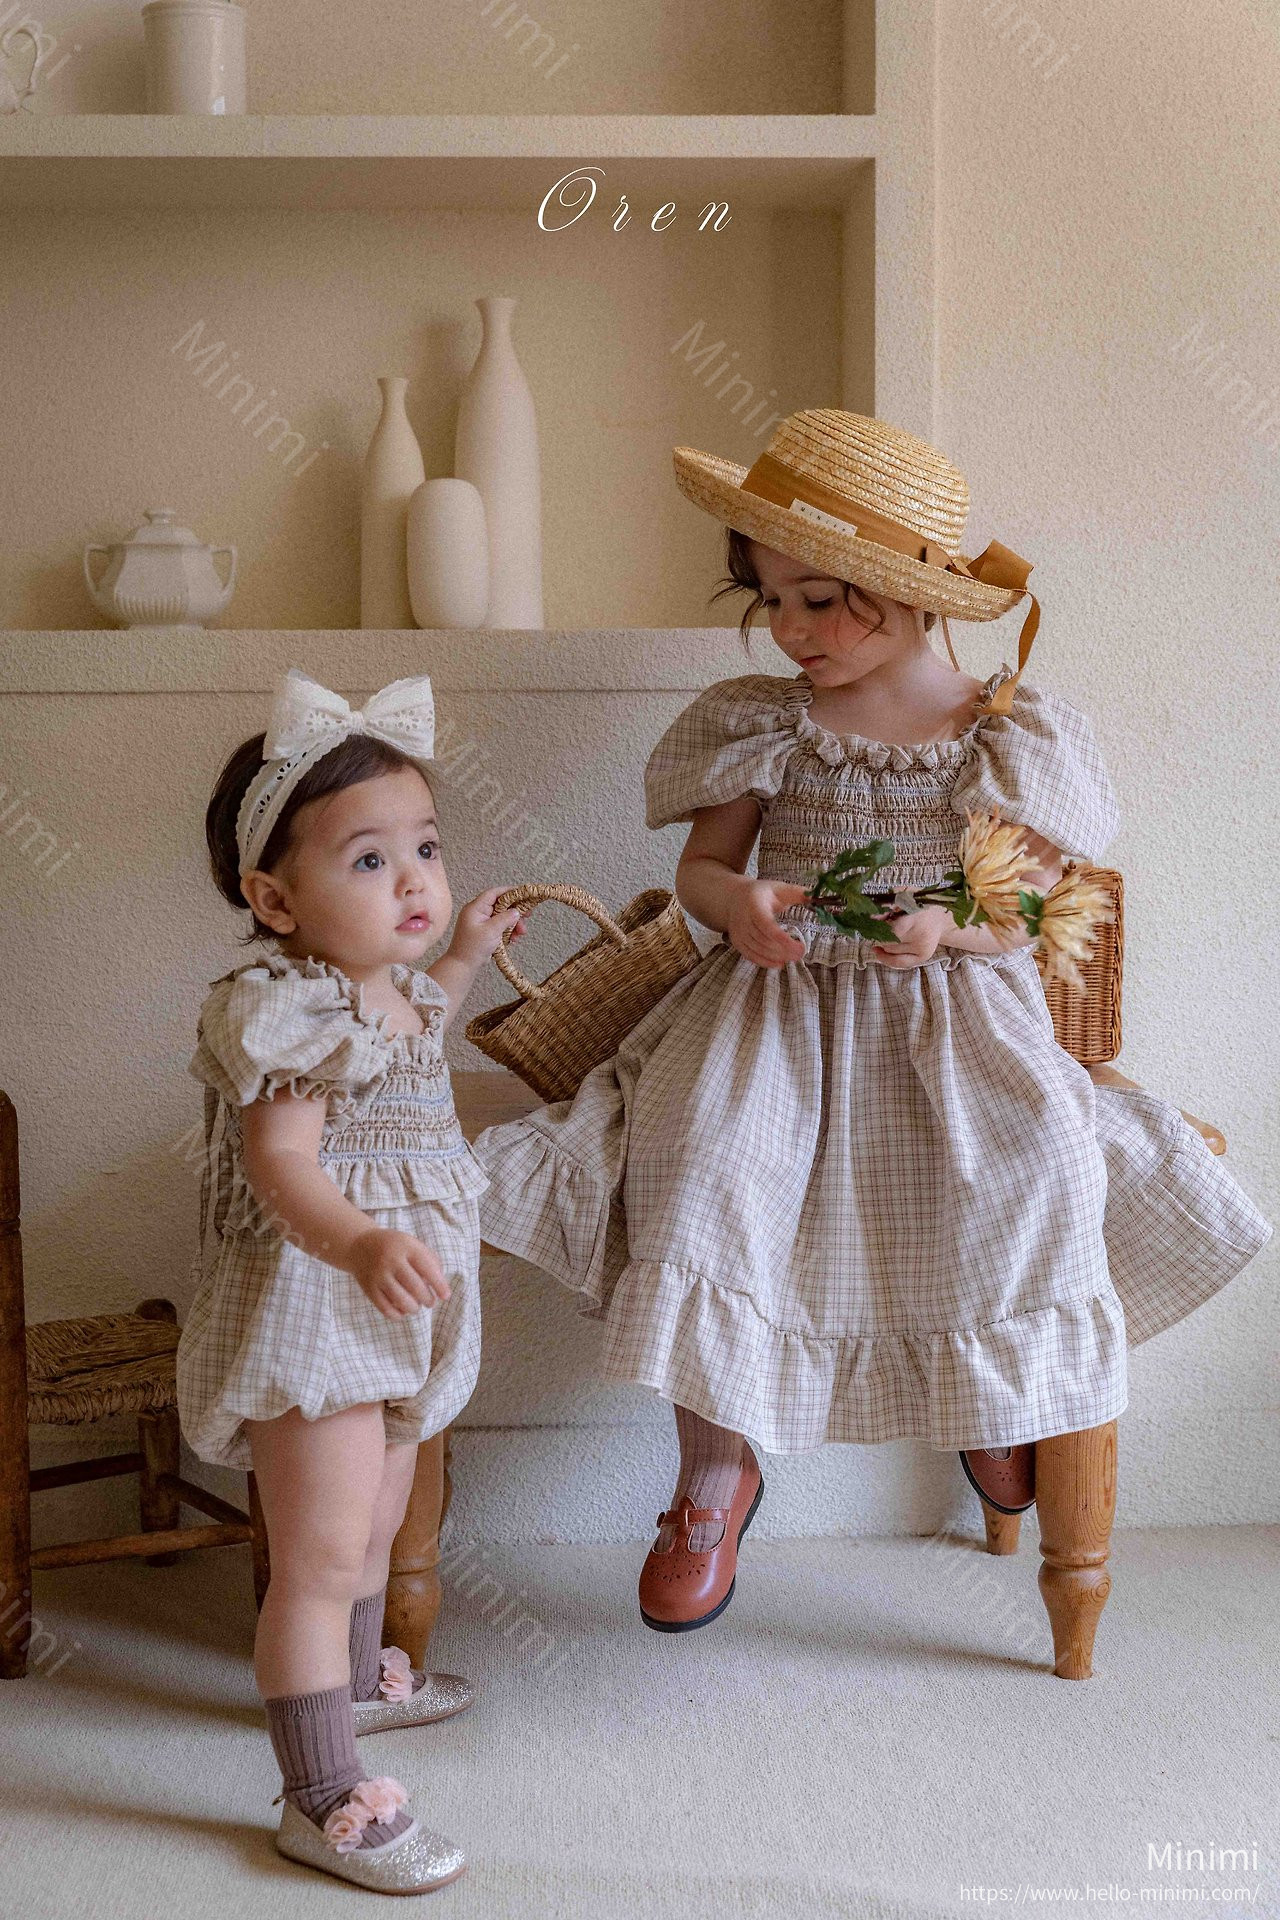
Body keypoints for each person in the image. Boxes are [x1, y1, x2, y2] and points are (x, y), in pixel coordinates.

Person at [472, 408, 1273, 1632]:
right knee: (703, 1164)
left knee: (1032, 1167)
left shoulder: (1003, 732)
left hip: (956, 1020)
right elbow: (700, 873)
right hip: (774, 1015)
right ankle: (714, 1468)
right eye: (771, 601)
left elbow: (1027, 912)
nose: (791, 630)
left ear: (910, 598)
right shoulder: (766, 723)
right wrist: (736, 905)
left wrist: (948, 928)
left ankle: (994, 1397)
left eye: (819, 601)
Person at [178, 667, 529, 1892]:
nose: (415, 879)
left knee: (376, 1523)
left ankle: (359, 1688)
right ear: (275, 899)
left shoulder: (390, 991)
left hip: (395, 1311)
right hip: (318, 1307)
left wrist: (467, 953)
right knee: (320, 1556)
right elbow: (282, 1165)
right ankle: (317, 1791)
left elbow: (421, 1026)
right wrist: (363, 1243)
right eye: (370, 860)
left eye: (424, 847)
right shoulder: (283, 1010)